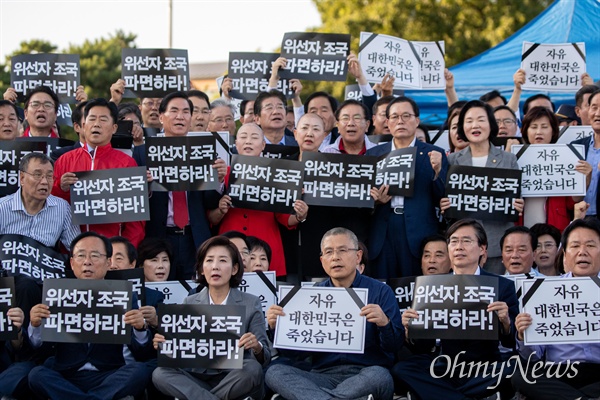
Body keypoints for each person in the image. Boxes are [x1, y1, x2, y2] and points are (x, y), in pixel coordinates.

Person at [265, 227, 404, 400]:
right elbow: (295, 355)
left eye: (343, 250)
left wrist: (384, 323)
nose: (335, 257)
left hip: (365, 373)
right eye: (329, 252)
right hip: (321, 376)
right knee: (275, 372)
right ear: (322, 260)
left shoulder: (381, 292)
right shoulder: (311, 295)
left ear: (358, 256)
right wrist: (277, 328)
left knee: (380, 376)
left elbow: (395, 346)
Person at [394, 219, 518, 400]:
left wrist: (506, 322)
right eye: (453, 241)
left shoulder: (502, 286)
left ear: (482, 249)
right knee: (403, 369)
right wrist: (410, 330)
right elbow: (423, 348)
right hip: (444, 365)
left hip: (485, 366)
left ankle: (443, 395)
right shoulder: (432, 287)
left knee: (515, 370)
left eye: (466, 241)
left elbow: (510, 342)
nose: (458, 247)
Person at [27, 232, 151, 399]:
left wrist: (140, 329)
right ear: (71, 263)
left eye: (94, 255)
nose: (87, 262)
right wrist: (35, 326)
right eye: (80, 256)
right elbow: (39, 349)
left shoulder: (125, 295)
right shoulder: (55, 294)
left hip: (108, 374)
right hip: (66, 375)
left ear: (108, 262)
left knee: (139, 371)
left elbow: (141, 350)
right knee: (37, 374)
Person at [152, 235, 270, 400]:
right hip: (197, 378)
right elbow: (182, 352)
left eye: (222, 261)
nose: (215, 267)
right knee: (160, 373)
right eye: (209, 261)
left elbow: (265, 358)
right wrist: (166, 345)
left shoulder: (251, 302)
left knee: (252, 369)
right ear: (201, 269)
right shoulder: (190, 301)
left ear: (235, 268)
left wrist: (256, 347)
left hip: (234, 377)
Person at [139, 92, 226, 280]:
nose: (180, 116)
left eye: (186, 112)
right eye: (174, 111)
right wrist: (143, 187)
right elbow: (134, 204)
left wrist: (218, 180)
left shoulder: (202, 151)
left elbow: (210, 202)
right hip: (158, 237)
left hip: (194, 238)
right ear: (161, 117)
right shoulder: (142, 153)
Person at [512, 218, 600, 400]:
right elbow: (534, 357)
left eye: (590, 245)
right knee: (521, 376)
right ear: (565, 254)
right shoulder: (544, 290)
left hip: (598, 371)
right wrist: (523, 335)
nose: (582, 252)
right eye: (575, 246)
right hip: (558, 373)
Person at [209, 123, 307, 278]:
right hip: (230, 248)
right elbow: (210, 218)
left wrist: (300, 214)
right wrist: (221, 210)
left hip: (266, 250)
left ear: (263, 145)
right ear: (236, 144)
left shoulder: (276, 175)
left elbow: (285, 218)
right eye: (243, 137)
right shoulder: (223, 174)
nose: (248, 141)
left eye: (254, 138)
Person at [367, 96, 448, 279]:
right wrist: (375, 201)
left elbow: (443, 199)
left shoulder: (434, 153)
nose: (400, 121)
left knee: (414, 288)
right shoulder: (374, 154)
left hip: (418, 232)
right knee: (384, 286)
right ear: (387, 122)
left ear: (417, 120)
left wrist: (437, 172)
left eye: (406, 116)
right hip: (383, 230)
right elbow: (362, 200)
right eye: (394, 117)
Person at [441, 100, 524, 274]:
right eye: (469, 121)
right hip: (463, 248)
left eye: (481, 119)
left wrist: (518, 204)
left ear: (490, 124)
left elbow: (515, 196)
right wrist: (444, 205)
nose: (475, 125)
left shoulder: (508, 159)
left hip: (496, 243)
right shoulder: (452, 161)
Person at [51, 98, 145, 247]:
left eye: (103, 119)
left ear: (114, 128)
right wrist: (60, 188)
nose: (96, 124)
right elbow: (51, 207)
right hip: (73, 250)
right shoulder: (64, 161)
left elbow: (136, 223)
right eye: (92, 119)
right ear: (83, 125)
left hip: (113, 251)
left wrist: (124, 251)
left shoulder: (127, 163)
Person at [520, 106, 589, 230]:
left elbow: (572, 201)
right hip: (523, 230)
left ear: (553, 131)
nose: (539, 132)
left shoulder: (566, 158)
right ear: (525, 130)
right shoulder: (515, 158)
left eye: (544, 127)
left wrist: (586, 177)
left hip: (555, 230)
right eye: (533, 127)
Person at [0, 152, 80, 249]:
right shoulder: (2, 208)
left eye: (49, 176)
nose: (44, 182)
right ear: (22, 178)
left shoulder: (63, 208)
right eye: (37, 175)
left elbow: (77, 248)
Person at [572, 89, 600, 218]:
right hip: (581, 219)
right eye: (594, 107)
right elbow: (571, 196)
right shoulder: (575, 147)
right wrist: (585, 180)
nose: (598, 113)